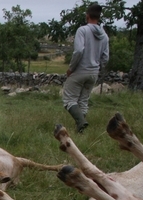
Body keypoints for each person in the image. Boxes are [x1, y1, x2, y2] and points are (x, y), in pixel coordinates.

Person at [62, 3, 109, 133]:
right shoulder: (104, 35)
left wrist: (71, 68)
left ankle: (81, 121)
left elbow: (78, 51)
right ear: (98, 17)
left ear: (87, 16)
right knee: (83, 100)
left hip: (80, 70)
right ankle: (80, 130)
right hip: (94, 72)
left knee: (69, 100)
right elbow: (105, 57)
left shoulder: (82, 30)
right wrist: (97, 67)